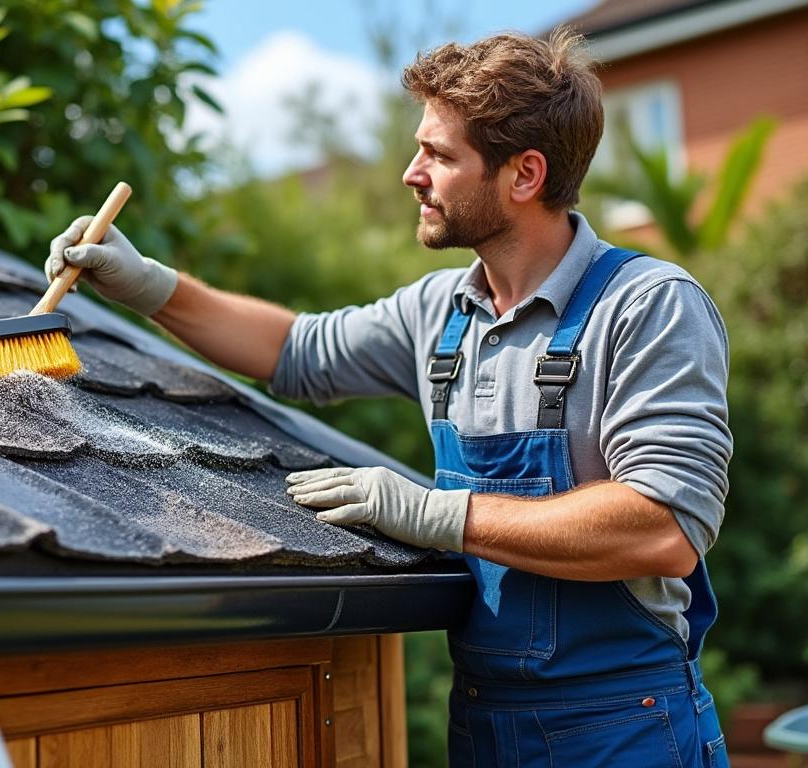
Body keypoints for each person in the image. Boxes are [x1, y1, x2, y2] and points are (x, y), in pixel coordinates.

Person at [46, 30, 732, 768]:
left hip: (625, 728)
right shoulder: (441, 312)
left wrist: (434, 512)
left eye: (440, 155)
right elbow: (294, 351)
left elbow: (662, 527)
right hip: (483, 722)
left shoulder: (646, 307)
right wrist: (145, 284)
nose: (412, 173)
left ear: (524, 175)